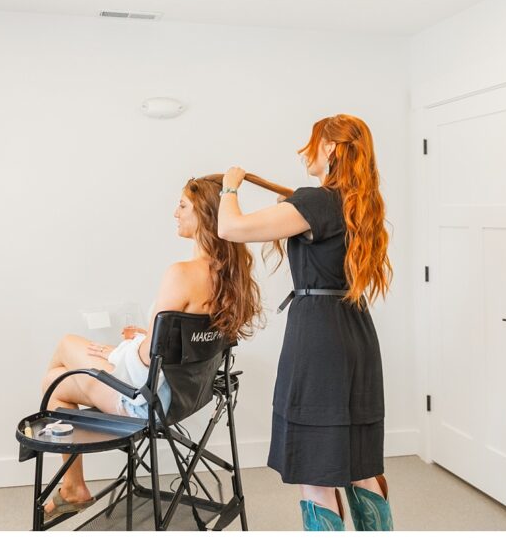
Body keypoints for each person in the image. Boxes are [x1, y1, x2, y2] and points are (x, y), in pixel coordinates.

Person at [38, 176, 263, 520]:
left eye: (183, 206)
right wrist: (145, 338)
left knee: (59, 367)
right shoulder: (233, 276)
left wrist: (117, 353)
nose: (175, 212)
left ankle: (73, 487)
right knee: (65, 370)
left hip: (147, 403)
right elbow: (178, 343)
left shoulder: (181, 273)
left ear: (204, 215)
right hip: (190, 394)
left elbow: (145, 360)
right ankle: (72, 486)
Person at [217, 114, 394, 531]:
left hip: (319, 339)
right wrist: (292, 207)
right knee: (358, 466)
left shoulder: (317, 202)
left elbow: (230, 227)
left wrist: (230, 185)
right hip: (355, 333)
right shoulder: (355, 203)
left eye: (312, 142)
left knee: (316, 472)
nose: (305, 151)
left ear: (331, 148)